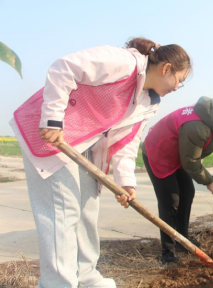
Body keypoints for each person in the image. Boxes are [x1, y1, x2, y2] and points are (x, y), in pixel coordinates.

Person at [10, 37, 190, 287]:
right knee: (63, 212)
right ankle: (57, 282)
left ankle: (86, 277)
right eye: (179, 81)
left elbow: (128, 141)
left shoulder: (150, 103)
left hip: (85, 146)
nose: (177, 88)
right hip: (51, 135)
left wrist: (126, 182)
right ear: (166, 68)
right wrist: (52, 119)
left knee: (87, 209)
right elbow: (64, 67)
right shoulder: (124, 62)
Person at [142, 95, 213, 264]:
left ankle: (181, 239)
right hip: (159, 153)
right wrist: (208, 180)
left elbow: (194, 151)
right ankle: (168, 251)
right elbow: (190, 162)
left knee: (187, 192)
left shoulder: (210, 117)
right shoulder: (197, 125)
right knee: (171, 201)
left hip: (176, 154)